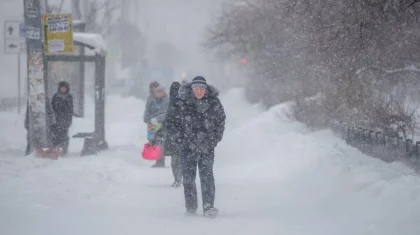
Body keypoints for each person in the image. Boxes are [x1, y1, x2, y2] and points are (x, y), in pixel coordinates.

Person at [167, 76, 226, 217]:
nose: (199, 91)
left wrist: (213, 140)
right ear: (192, 89)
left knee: (207, 177)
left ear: (206, 90)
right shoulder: (180, 103)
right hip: (186, 148)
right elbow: (170, 123)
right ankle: (191, 207)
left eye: (202, 89)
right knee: (188, 178)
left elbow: (221, 122)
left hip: (207, 147)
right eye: (196, 89)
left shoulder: (214, 103)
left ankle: (208, 206)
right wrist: (180, 141)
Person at [161, 81, 183, 187]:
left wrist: (169, 128)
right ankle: (179, 178)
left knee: (175, 160)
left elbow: (168, 120)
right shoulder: (183, 102)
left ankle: (178, 178)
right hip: (182, 136)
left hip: (174, 136)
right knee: (179, 159)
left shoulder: (172, 103)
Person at [143, 85, 169, 167]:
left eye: (160, 91)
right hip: (151, 124)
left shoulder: (167, 101)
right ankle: (157, 159)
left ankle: (160, 161)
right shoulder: (151, 100)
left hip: (161, 124)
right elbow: (147, 111)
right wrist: (148, 120)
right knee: (151, 140)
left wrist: (157, 119)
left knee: (160, 142)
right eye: (157, 92)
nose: (159, 93)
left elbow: (166, 113)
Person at [51, 81, 73, 155]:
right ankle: (56, 150)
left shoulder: (69, 97)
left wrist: (69, 121)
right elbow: (52, 108)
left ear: (67, 89)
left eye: (64, 88)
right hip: (56, 120)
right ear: (59, 88)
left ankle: (63, 150)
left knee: (64, 136)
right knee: (56, 136)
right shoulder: (55, 96)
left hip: (65, 120)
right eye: (62, 88)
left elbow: (70, 110)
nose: (63, 89)